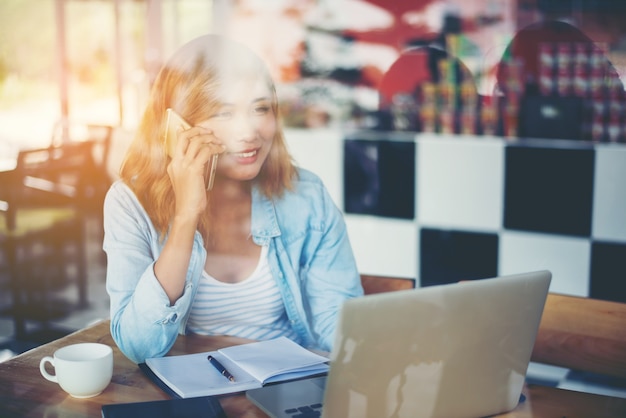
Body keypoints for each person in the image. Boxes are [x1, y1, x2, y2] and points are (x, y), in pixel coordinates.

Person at [103, 34, 363, 364]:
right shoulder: (129, 204)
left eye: (260, 108)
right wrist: (186, 216)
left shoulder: (307, 196)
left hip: (284, 385)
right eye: (224, 113)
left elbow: (333, 323)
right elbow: (139, 347)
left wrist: (405, 334)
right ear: (176, 126)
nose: (249, 132)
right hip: (186, 391)